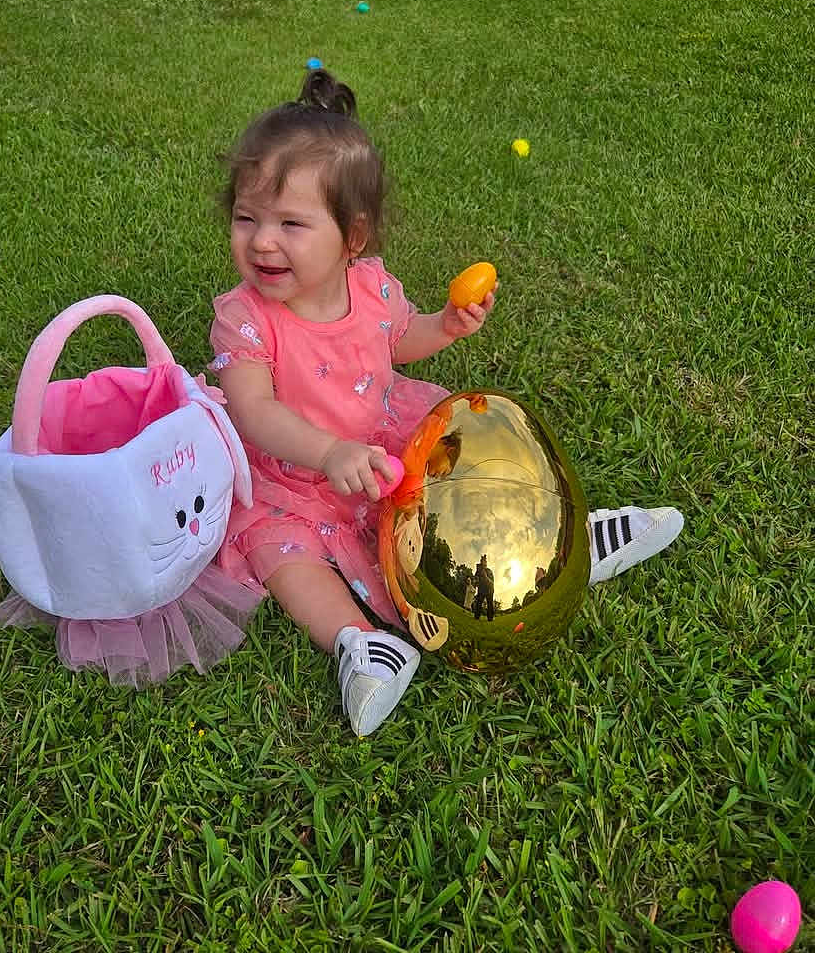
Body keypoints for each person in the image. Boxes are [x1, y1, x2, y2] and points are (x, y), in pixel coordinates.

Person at [208, 69, 683, 736]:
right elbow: (253, 410)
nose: (261, 241)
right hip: (291, 477)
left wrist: (446, 326)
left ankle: (564, 547)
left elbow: (397, 338)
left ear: (353, 238)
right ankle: (362, 647)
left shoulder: (369, 287)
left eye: (290, 223)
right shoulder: (246, 320)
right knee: (281, 558)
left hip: (379, 440)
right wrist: (328, 451)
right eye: (246, 218)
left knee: (472, 471)